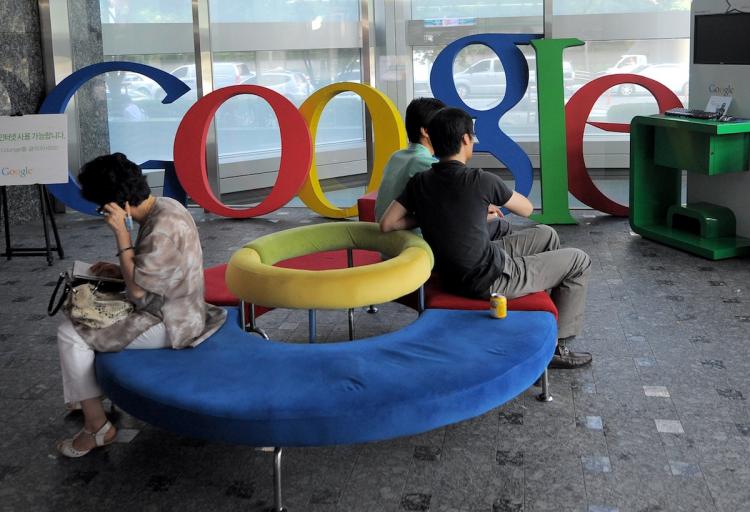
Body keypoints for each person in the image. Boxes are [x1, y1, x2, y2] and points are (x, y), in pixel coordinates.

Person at [379, 107, 592, 369]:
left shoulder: (420, 182)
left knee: (546, 235)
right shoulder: (480, 179)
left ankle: (537, 313)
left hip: (455, 273)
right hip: (489, 278)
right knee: (579, 260)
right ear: (466, 140)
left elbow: (387, 224)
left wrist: (428, 215)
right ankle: (557, 347)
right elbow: (526, 208)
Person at [56, 153, 227, 457]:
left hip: (170, 322)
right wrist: (118, 267)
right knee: (84, 316)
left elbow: (136, 291)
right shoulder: (166, 207)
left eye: (100, 207)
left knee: (71, 332)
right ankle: (84, 394)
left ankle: (97, 427)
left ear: (114, 204)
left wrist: (121, 233)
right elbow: (152, 272)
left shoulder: (160, 228)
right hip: (176, 307)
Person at [374, 97, 510, 238]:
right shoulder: (426, 163)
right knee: (497, 224)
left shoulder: (397, 156)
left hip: (387, 243)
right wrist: (483, 211)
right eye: (440, 126)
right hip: (414, 243)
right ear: (426, 131)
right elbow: (457, 205)